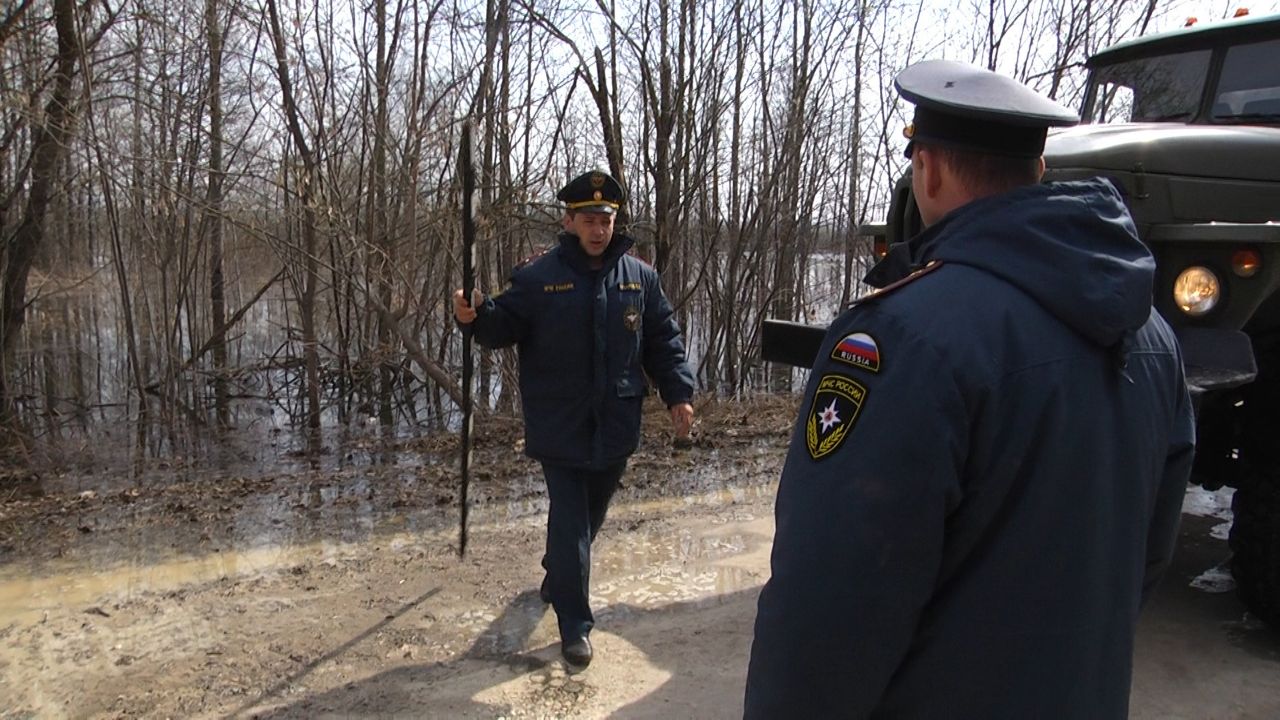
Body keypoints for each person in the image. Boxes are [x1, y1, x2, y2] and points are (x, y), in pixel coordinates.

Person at [744, 60, 1196, 718]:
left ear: (926, 169)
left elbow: (831, 604)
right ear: (1036, 171)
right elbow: (1147, 554)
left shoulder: (899, 339)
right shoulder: (1153, 335)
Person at [453, 169, 696, 669]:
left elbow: (663, 343)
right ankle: (575, 627)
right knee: (571, 525)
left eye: (606, 220)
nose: (598, 229)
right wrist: (475, 314)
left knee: (589, 519)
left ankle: (556, 576)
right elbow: (501, 324)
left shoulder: (639, 277)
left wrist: (679, 396)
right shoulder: (540, 277)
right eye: (588, 220)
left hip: (616, 423)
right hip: (559, 424)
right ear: (569, 221)